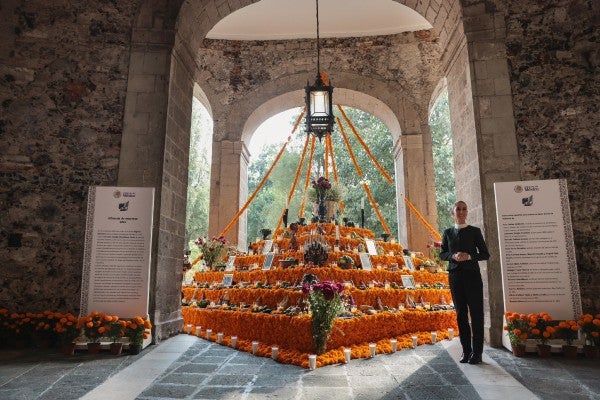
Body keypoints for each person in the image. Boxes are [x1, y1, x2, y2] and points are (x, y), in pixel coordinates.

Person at [440, 201, 490, 364]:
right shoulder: (447, 232)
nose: (461, 212)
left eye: (464, 209)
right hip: (455, 277)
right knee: (461, 314)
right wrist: (453, 256)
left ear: (467, 212)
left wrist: (468, 256)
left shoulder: (474, 231)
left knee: (476, 314)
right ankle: (466, 351)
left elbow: (485, 254)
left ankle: (477, 353)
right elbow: (443, 254)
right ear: (452, 212)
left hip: (472, 276)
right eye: (458, 209)